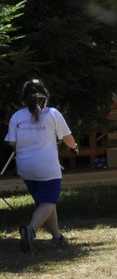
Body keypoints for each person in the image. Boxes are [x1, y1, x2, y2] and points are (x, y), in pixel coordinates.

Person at [6, 79, 78, 251]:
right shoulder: (53, 114)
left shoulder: (17, 116)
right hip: (47, 167)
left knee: (45, 202)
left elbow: (12, 143)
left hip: (25, 167)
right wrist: (74, 147)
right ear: (44, 95)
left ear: (24, 97)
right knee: (48, 201)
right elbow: (67, 137)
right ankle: (30, 230)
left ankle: (57, 236)